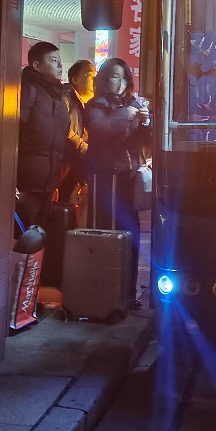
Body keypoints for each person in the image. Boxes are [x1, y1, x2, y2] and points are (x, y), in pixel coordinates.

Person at [84, 58, 151, 310]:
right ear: (103, 79)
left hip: (127, 178)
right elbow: (100, 130)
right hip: (105, 178)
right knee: (108, 235)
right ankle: (104, 296)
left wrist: (145, 122)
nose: (120, 82)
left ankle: (127, 293)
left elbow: (144, 140)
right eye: (114, 76)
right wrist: (125, 116)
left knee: (130, 234)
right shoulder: (95, 105)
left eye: (124, 77)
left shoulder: (132, 104)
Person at [16, 41, 72, 230]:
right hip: (29, 176)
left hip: (50, 175)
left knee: (41, 229)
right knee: (27, 228)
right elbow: (16, 127)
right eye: (54, 60)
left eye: (60, 60)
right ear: (37, 65)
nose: (60, 65)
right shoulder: (28, 90)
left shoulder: (57, 94)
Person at [59, 59, 96, 212]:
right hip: (65, 162)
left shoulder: (89, 103)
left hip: (77, 163)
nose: (94, 79)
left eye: (95, 75)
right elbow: (63, 127)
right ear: (75, 79)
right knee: (62, 203)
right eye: (89, 75)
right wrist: (83, 147)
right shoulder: (65, 96)